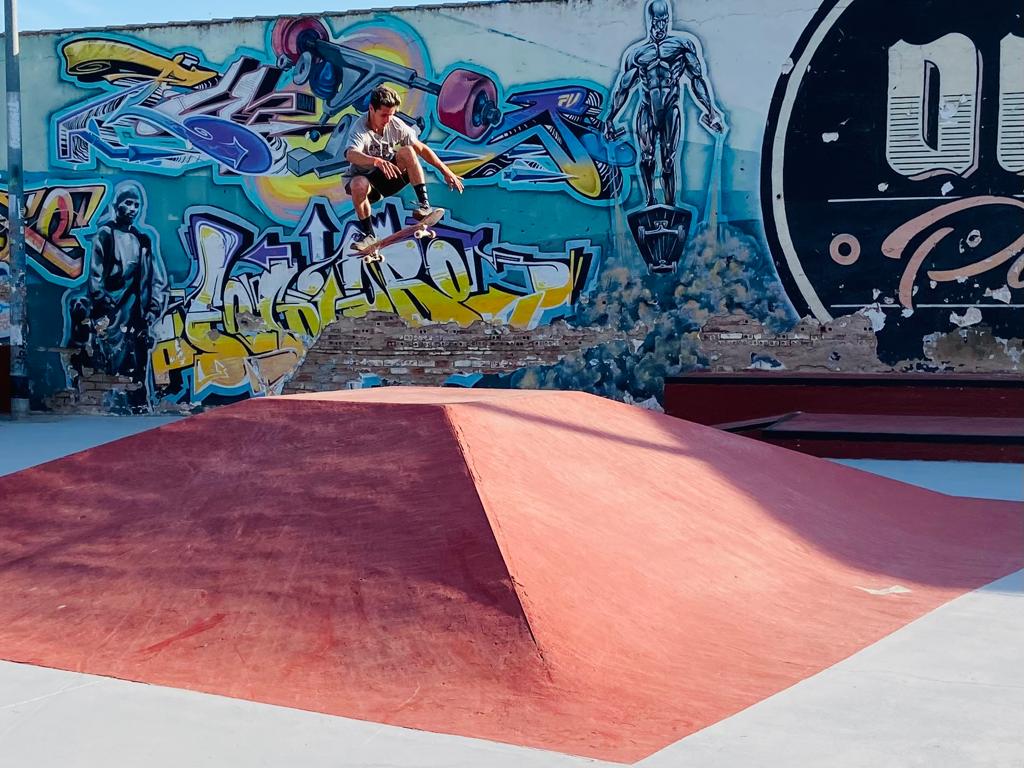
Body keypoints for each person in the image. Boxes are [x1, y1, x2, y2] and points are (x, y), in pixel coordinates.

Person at [606, 0, 726, 207]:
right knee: (647, 157)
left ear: (668, 20)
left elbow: (697, 79)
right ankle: (651, 200)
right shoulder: (637, 55)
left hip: (671, 108)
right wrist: (610, 118)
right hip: (646, 109)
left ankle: (670, 204)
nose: (660, 26)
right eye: (656, 21)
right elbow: (623, 89)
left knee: (669, 161)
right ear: (649, 20)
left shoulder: (681, 46)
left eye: (664, 21)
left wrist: (710, 110)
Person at [68, 181, 169, 410]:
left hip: (137, 320)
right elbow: (95, 280)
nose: (133, 208)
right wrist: (106, 309)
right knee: (109, 371)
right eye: (128, 203)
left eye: (136, 204)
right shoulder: (105, 235)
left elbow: (157, 280)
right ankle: (109, 407)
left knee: (137, 374)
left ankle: (138, 410)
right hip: (110, 322)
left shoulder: (144, 240)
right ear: (117, 206)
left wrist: (152, 312)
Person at [344, 85, 464, 248]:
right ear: (371, 109)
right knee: (358, 184)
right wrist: (376, 161)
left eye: (391, 115)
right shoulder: (359, 129)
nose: (387, 121)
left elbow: (421, 148)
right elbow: (350, 154)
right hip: (369, 187)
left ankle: (424, 206)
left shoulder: (395, 125)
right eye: (384, 115)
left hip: (389, 178)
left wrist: (446, 171)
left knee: (408, 151)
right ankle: (369, 235)